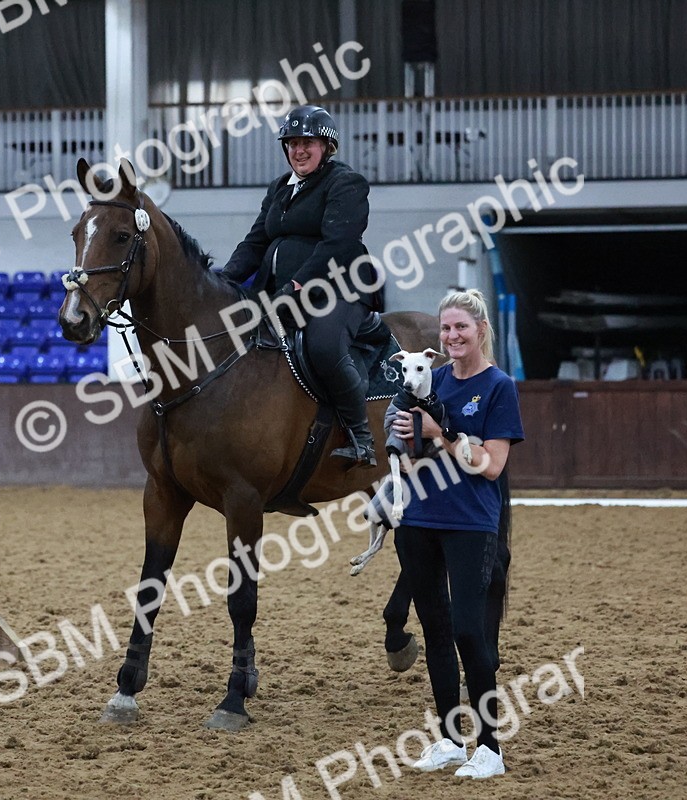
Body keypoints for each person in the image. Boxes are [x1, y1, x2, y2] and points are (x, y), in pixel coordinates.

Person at [389, 289, 524, 779]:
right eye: (446, 329)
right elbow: (408, 450)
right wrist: (402, 452)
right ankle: (449, 739)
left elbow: (491, 466)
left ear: (481, 329)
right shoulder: (429, 380)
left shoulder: (499, 387)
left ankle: (489, 746)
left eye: (460, 328)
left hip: (472, 524)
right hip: (420, 522)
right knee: (436, 630)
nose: (451, 337)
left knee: (470, 629)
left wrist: (438, 436)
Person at [219, 104, 382, 466]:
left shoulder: (346, 183)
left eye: (307, 142)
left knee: (323, 346)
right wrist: (222, 278)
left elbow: (337, 244)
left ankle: (362, 437)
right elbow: (256, 241)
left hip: (338, 288)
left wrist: (296, 285)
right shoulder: (279, 188)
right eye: (292, 143)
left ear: (327, 146)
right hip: (278, 293)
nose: (299, 150)